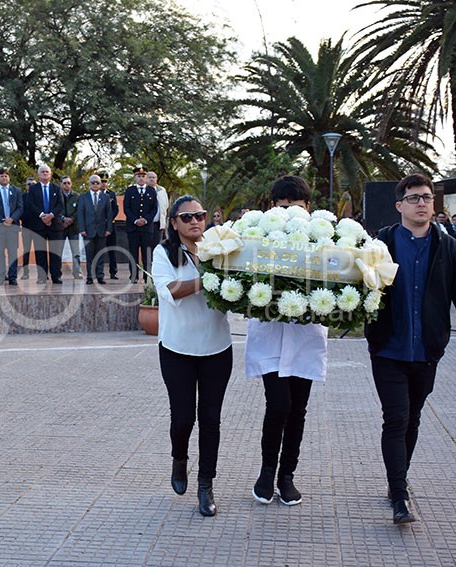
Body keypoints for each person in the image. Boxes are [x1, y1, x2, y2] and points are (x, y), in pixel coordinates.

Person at [366, 173, 456, 524]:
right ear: (399, 205)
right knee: (396, 418)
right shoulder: (380, 244)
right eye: (415, 197)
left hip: (427, 350)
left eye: (428, 198)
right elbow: (358, 283)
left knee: (413, 419)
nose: (422, 203)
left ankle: (398, 480)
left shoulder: (446, 247)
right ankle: (399, 494)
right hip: (388, 348)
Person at [247, 176, 327, 508]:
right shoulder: (259, 238)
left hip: (306, 337)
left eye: (295, 206)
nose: (289, 212)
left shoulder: (325, 238)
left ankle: (287, 475)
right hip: (270, 336)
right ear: (271, 207)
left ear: (307, 207)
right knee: (279, 405)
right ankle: (267, 471)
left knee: (298, 410)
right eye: (282, 206)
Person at [152, 195, 233, 517]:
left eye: (199, 215)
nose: (195, 221)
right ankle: (179, 458)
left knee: (211, 420)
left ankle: (206, 485)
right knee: (183, 417)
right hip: (176, 348)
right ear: (173, 223)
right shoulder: (164, 252)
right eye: (186, 217)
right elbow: (170, 290)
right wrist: (208, 281)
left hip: (217, 347)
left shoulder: (221, 248)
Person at [25, 165, 64, 284]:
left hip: (54, 225)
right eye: (42, 172)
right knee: (40, 252)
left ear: (50, 174)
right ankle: (42, 276)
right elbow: (31, 204)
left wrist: (51, 215)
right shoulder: (33, 189)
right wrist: (42, 215)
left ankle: (56, 276)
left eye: (47, 172)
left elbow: (60, 205)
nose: (45, 174)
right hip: (38, 225)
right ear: (38, 174)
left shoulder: (56, 188)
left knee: (55, 252)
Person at [0, 167, 24, 286]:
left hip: (12, 226)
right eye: (1, 175)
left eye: (6, 175)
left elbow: (20, 208)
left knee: (13, 252)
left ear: (9, 177)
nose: (4, 177)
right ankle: (1, 277)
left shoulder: (17, 191)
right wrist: (1, 220)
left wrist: (12, 219)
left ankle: (12, 277)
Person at [76, 174, 113, 284]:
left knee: (101, 254)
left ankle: (100, 276)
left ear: (101, 184)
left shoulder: (106, 197)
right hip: (88, 231)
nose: (95, 184)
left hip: (102, 231)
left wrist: (108, 229)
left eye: (97, 182)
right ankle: (90, 277)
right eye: (93, 183)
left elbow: (109, 215)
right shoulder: (83, 197)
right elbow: (80, 214)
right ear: (89, 184)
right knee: (89, 255)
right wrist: (82, 229)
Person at [124, 166, 157, 283]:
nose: (141, 178)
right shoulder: (129, 191)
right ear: (135, 177)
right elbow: (126, 208)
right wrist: (135, 220)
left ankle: (147, 276)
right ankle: (133, 276)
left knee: (146, 253)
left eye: (143, 176)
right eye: (139, 176)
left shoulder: (151, 191)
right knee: (133, 252)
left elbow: (154, 209)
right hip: (133, 228)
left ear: (146, 177)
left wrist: (146, 220)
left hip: (147, 228)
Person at [58, 176, 82, 279]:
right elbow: (56, 209)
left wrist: (71, 219)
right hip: (61, 227)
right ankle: (57, 274)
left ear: (71, 184)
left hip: (73, 228)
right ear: (61, 184)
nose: (66, 185)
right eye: (64, 183)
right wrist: (63, 219)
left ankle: (77, 273)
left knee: (76, 252)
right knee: (58, 251)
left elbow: (79, 210)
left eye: (68, 183)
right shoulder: (57, 196)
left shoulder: (77, 196)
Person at [101, 173, 120, 279]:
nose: (104, 184)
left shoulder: (111, 194)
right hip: (99, 226)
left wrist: (108, 219)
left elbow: (115, 209)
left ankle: (113, 272)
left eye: (105, 181)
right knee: (99, 250)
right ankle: (99, 272)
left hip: (110, 225)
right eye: (102, 181)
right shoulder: (96, 194)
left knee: (112, 250)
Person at [19, 176, 37, 280]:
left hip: (39, 228)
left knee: (40, 251)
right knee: (26, 250)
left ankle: (43, 273)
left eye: (33, 184)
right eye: (29, 184)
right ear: (26, 186)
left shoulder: (40, 196)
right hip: (26, 227)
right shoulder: (22, 197)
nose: (31, 186)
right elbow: (20, 210)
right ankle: (25, 272)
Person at [147, 170, 169, 243]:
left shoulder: (162, 190)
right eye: (149, 177)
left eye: (153, 177)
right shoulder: (143, 190)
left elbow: (166, 205)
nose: (152, 179)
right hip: (146, 223)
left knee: (157, 245)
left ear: (156, 179)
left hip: (158, 223)